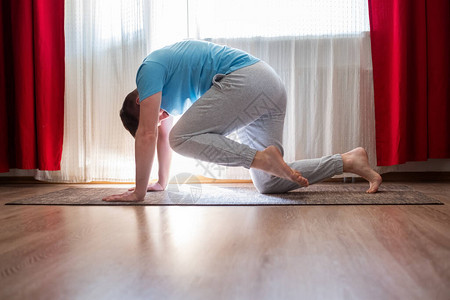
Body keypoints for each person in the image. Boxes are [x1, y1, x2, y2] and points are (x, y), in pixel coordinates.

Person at [103, 40, 382, 202]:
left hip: (248, 80)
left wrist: (139, 193)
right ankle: (348, 160)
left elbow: (149, 135)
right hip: (265, 89)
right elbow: (159, 136)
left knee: (181, 137)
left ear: (140, 100)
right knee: (269, 184)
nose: (161, 117)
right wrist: (160, 183)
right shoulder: (162, 92)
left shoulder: (148, 71)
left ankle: (262, 158)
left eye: (153, 116)